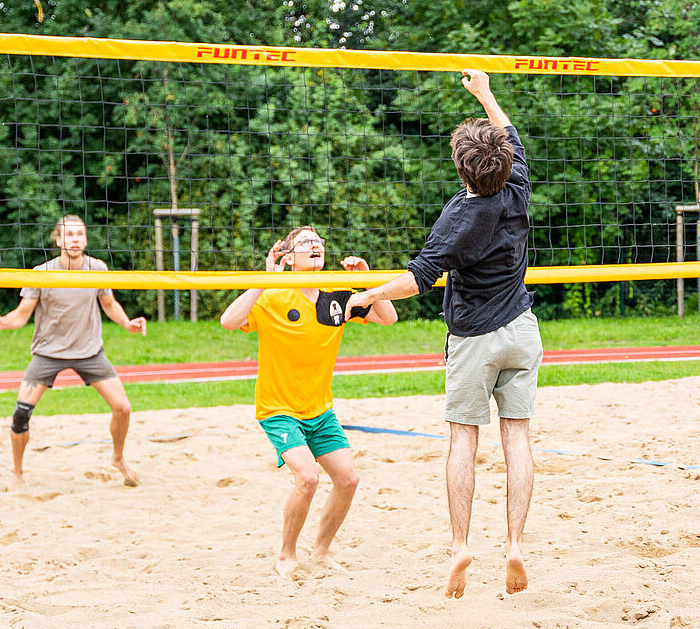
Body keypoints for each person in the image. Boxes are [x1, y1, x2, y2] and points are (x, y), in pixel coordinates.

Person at [348, 69, 543, 598]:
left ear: (461, 167)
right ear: (504, 160)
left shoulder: (459, 215)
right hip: (522, 329)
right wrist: (485, 93)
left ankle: (461, 546)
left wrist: (366, 295)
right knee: (518, 437)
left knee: (463, 439)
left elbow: (417, 278)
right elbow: (510, 134)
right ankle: (515, 544)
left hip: (475, 338)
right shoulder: (518, 186)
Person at [220, 226, 397, 579]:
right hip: (278, 409)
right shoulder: (272, 296)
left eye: (318, 241)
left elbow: (387, 317)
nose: (315, 246)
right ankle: (286, 556)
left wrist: (367, 280)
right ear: (288, 257)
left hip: (320, 410)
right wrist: (265, 279)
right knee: (308, 478)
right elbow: (229, 321)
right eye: (305, 242)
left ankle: (321, 551)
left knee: (348, 479)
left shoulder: (337, 295)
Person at [0, 215, 147, 492]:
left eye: (80, 234)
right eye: (69, 235)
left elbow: (109, 304)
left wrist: (128, 323)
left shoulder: (97, 268)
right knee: (21, 414)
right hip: (48, 352)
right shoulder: (41, 272)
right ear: (58, 240)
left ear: (86, 239)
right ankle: (17, 473)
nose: (75, 239)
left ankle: (118, 458)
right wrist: (1, 323)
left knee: (123, 408)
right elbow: (22, 315)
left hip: (89, 351)